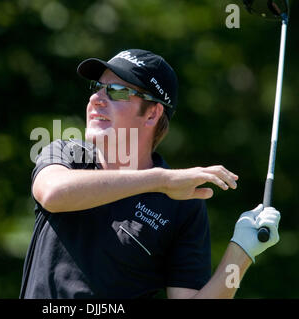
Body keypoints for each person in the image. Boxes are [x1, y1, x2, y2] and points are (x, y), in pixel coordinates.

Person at [20, 49, 281, 299]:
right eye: (98, 87)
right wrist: (162, 181)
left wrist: (241, 253)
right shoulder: (66, 155)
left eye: (117, 91)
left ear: (153, 113)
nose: (96, 98)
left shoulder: (183, 204)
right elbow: (54, 193)